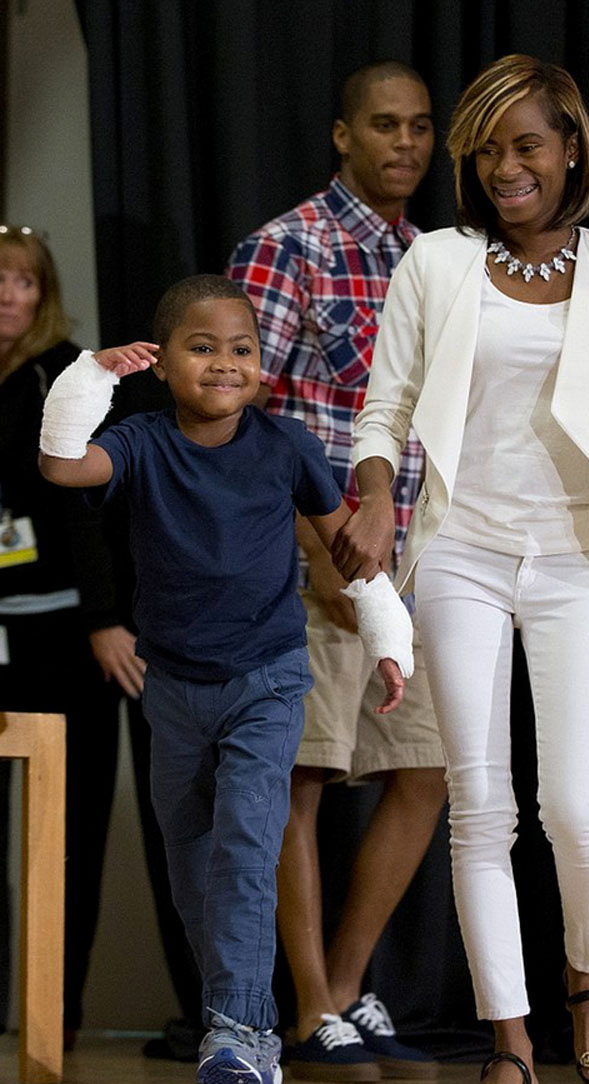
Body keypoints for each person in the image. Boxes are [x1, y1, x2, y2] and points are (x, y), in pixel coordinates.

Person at [333, 55, 589, 1084]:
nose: (504, 167)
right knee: (479, 805)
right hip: (460, 552)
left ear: (570, 145)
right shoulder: (436, 262)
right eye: (485, 150)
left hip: (582, 556)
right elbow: (384, 408)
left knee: (575, 803)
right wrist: (374, 493)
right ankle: (509, 1038)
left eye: (524, 143)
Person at [39, 274, 410, 1084]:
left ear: (262, 364)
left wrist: (390, 639)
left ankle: (240, 1036)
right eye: (200, 348)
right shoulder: (140, 442)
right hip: (173, 689)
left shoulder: (288, 447)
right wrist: (92, 375)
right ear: (162, 362)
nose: (223, 363)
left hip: (269, 682)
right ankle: (241, 1022)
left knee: (247, 845)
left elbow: (349, 551)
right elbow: (62, 465)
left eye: (240, 348)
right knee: (191, 869)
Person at [227, 59, 445, 1082]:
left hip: (412, 562)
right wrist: (317, 539)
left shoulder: (434, 259)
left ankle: (348, 988)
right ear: (342, 136)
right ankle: (308, 1006)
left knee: (429, 771)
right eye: (383, 126)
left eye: (420, 128)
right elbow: (241, 411)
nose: (404, 143)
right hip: (315, 556)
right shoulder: (289, 247)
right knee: (301, 775)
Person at [0, 223, 122, 1043]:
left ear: (45, 294)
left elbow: (90, 508)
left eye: (25, 281)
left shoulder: (68, 373)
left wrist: (108, 619)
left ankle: (55, 1024)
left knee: (65, 837)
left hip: (64, 642)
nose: (10, 295)